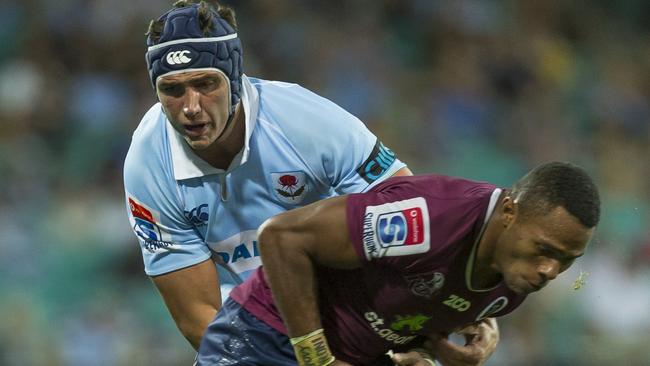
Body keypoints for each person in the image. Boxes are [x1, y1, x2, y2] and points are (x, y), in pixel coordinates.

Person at [124, 1, 499, 363]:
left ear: (234, 77)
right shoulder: (148, 163)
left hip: (349, 317)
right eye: (172, 90)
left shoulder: (305, 122)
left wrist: (460, 312)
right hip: (247, 333)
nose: (190, 107)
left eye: (205, 84)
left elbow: (414, 215)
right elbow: (198, 314)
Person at [196, 161, 601, 366]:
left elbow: (408, 311)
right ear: (509, 213)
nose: (550, 271)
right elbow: (281, 238)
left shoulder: (510, 287)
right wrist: (317, 359)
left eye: (567, 261)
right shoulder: (426, 219)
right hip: (263, 339)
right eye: (544, 249)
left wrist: (434, 354)